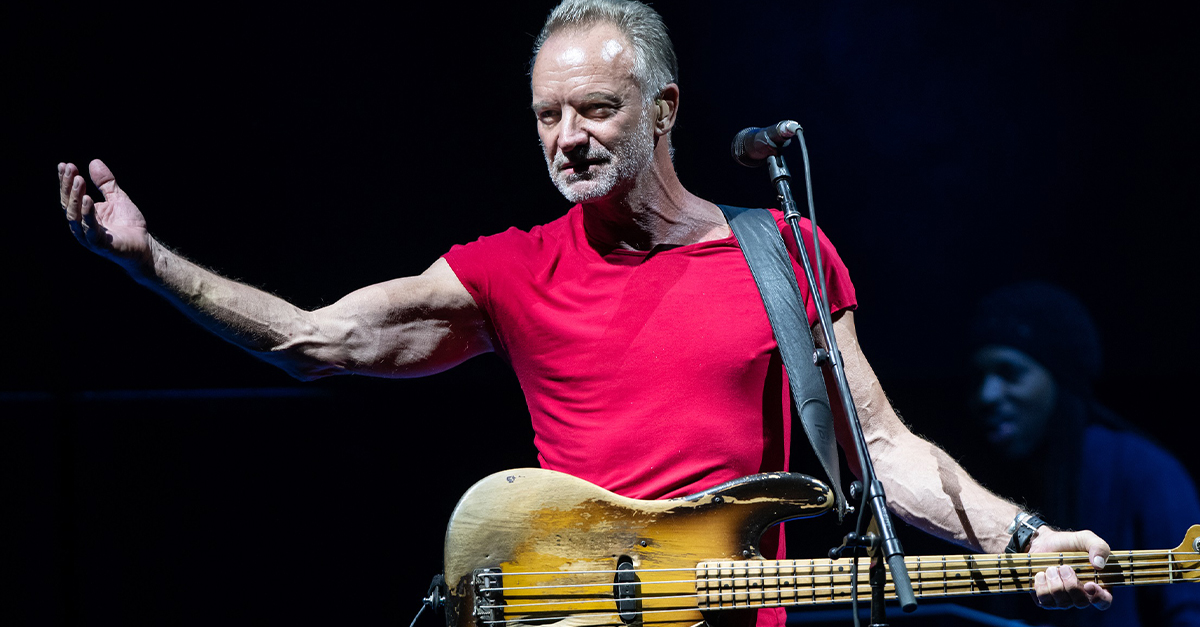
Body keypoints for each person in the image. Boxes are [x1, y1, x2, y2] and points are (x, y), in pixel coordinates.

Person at [56, 1, 1115, 623]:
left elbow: (882, 450)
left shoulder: (782, 249)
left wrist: (1024, 538)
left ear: (663, 112)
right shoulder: (511, 271)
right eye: (546, 115)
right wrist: (153, 264)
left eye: (596, 109)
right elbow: (315, 339)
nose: (566, 136)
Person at [968, 281, 1200, 626]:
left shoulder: (1143, 470)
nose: (986, 395)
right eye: (979, 376)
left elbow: (1191, 608)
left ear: (1059, 380)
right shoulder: (990, 480)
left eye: (1010, 372)